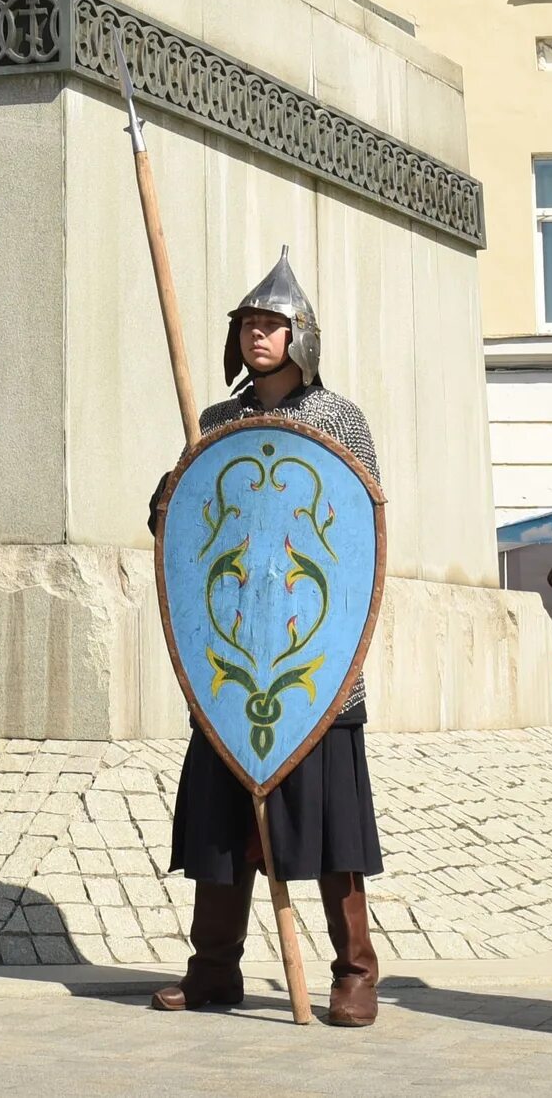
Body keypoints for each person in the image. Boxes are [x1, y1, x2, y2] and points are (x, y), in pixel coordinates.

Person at [148, 250, 384, 1028]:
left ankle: (356, 973)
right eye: (250, 323)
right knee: (222, 829)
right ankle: (214, 970)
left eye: (273, 324)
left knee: (330, 833)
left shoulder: (338, 420)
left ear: (302, 338)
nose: (259, 334)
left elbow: (358, 537)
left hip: (311, 659)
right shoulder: (215, 424)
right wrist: (172, 494)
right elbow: (179, 532)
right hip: (232, 659)